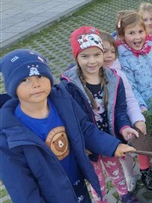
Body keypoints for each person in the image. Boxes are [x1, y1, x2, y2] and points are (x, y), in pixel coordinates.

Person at [0, 49, 136, 203]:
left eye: (40, 76)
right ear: (12, 86)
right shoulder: (8, 134)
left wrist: (113, 146)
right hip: (50, 195)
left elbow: (84, 128)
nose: (36, 84)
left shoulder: (62, 100)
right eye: (25, 79)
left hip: (76, 182)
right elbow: (20, 186)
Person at [61, 26, 140, 203]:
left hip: (110, 140)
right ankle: (100, 200)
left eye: (97, 54)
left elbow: (120, 110)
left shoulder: (114, 79)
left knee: (116, 170)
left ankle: (124, 194)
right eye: (85, 56)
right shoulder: (68, 87)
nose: (92, 61)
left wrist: (125, 127)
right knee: (96, 179)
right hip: (88, 147)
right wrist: (80, 143)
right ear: (76, 57)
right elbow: (73, 121)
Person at [115, 11, 152, 192]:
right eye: (131, 33)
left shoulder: (151, 47)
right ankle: (145, 171)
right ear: (122, 36)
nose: (137, 37)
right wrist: (141, 108)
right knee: (144, 142)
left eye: (140, 32)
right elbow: (130, 87)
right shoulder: (124, 58)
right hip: (141, 109)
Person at [100, 31, 149, 193]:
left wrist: (137, 119)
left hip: (118, 123)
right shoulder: (88, 78)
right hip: (100, 126)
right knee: (108, 156)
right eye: (104, 51)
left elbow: (130, 99)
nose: (109, 55)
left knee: (123, 152)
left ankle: (129, 174)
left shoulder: (119, 75)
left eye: (112, 51)